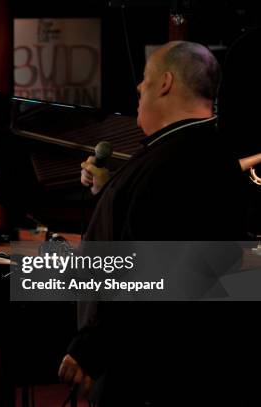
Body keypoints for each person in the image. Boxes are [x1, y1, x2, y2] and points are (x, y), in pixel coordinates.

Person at [60, 41, 251, 405]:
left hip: (148, 375)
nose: (138, 88)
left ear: (164, 83)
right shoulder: (185, 151)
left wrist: (92, 346)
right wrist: (111, 191)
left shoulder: (185, 160)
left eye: (145, 79)